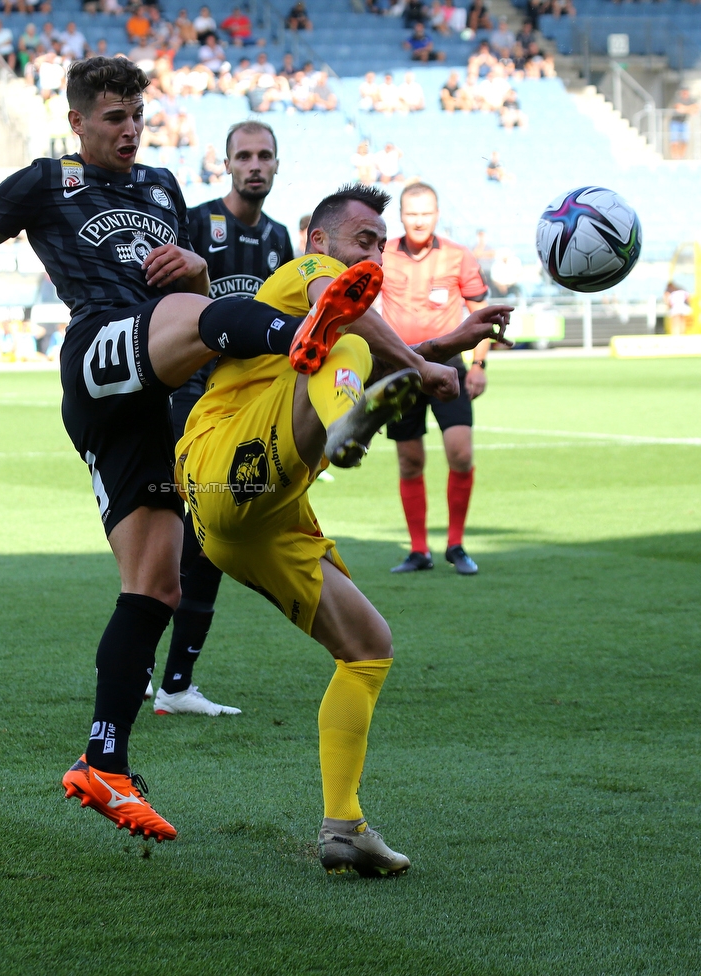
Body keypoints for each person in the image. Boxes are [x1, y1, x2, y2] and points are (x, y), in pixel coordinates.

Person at [0, 56, 383, 844]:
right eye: (113, 118)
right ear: (77, 122)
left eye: (137, 116)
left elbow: (196, 287)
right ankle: (302, 338)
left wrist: (203, 264)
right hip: (100, 350)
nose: (130, 130)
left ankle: (103, 762)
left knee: (157, 588)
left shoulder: (162, 188)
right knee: (194, 312)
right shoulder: (44, 183)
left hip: (149, 395)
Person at [175, 183, 513, 874]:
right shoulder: (305, 275)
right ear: (318, 241)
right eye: (364, 238)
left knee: (368, 646)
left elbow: (364, 333)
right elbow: (351, 320)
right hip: (222, 456)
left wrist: (445, 344)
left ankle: (343, 826)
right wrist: (425, 363)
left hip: (257, 519)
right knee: (346, 339)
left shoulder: (345, 314)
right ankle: (344, 427)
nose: (376, 253)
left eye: (381, 244)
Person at [153, 120, 295, 717]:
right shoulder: (198, 221)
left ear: (277, 165)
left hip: (242, 403)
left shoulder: (282, 237)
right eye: (244, 156)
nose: (255, 165)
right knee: (183, 539)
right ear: (227, 164)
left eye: (264, 156)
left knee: (201, 543)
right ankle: (160, 679)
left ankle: (172, 683)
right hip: (189, 395)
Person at [379, 182, 490, 576]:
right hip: (402, 368)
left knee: (460, 453)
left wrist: (479, 366)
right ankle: (418, 550)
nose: (419, 220)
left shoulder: (459, 256)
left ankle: (456, 544)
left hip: (448, 368)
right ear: (401, 216)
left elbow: (480, 313)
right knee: (410, 460)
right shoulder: (382, 254)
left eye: (426, 213)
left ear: (437, 214)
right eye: (412, 213)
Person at [670, 87, 697, 161]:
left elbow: (696, 108)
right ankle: (675, 157)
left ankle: (681, 157)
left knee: (685, 140)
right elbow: (679, 109)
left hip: (684, 122)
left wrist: (685, 109)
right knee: (674, 141)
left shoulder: (690, 100)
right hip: (675, 122)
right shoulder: (677, 99)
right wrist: (689, 109)